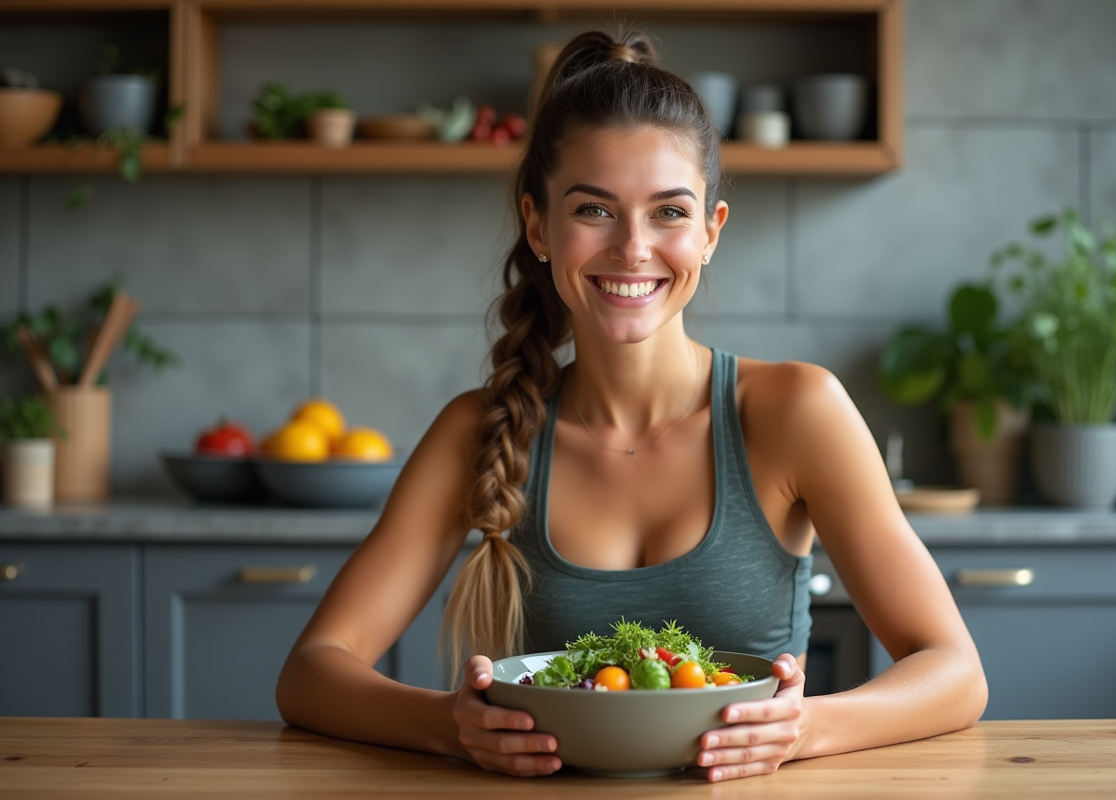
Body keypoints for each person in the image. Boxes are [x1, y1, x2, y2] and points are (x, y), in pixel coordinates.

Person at [276, 29, 988, 783]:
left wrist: (803, 729)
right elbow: (313, 672)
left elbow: (954, 671)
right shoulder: (477, 429)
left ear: (711, 231)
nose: (633, 248)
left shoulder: (796, 411)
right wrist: (450, 726)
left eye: (669, 213)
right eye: (594, 210)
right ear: (538, 226)